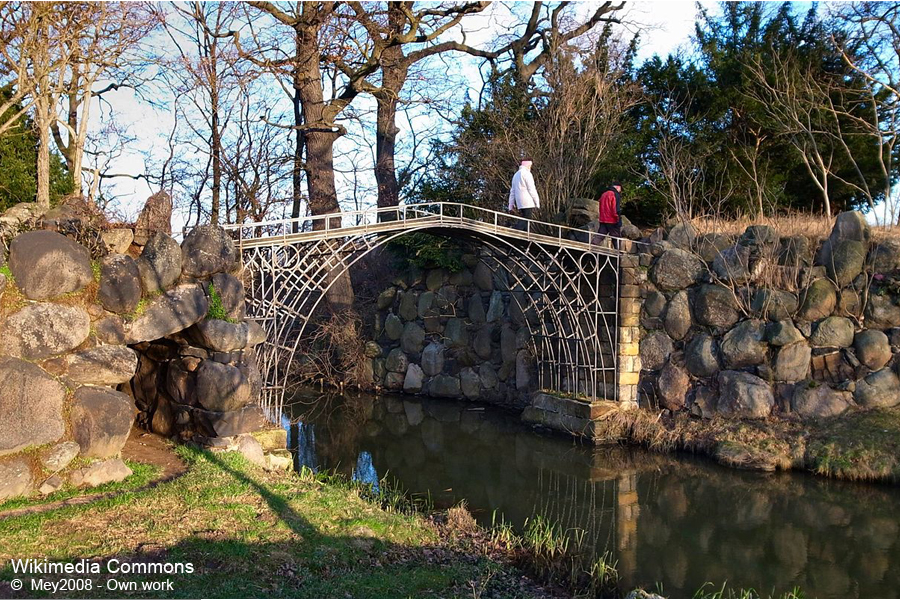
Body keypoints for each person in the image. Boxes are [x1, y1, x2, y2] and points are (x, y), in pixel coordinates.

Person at [508, 157, 540, 230]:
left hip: (519, 202)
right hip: (528, 201)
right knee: (527, 218)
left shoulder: (515, 175)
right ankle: (516, 229)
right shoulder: (527, 174)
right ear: (528, 165)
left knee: (525, 219)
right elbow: (531, 189)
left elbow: (512, 192)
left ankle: (525, 234)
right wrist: (537, 202)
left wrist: (511, 205)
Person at [596, 181, 622, 247]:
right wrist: (617, 218)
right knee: (616, 238)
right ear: (618, 187)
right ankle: (619, 254)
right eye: (620, 189)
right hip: (612, 220)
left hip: (603, 219)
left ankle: (589, 250)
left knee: (599, 237)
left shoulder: (604, 194)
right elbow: (615, 208)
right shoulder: (615, 194)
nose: (620, 191)